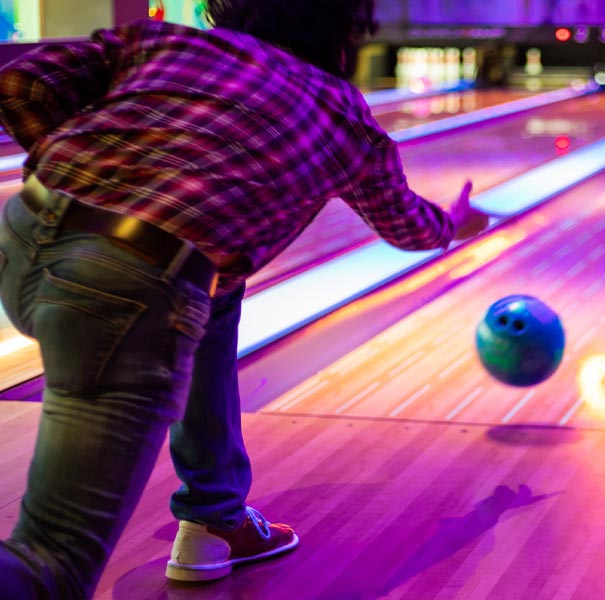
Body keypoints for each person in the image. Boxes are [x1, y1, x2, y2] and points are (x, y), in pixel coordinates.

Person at [0, 0, 489, 597]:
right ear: (343, 35)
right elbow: (408, 226)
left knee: (214, 290)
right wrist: (454, 221)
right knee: (50, 561)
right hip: (120, 289)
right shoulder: (344, 117)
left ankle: (215, 517)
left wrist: (79, 173)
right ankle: (213, 513)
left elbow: (22, 80)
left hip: (22, 233)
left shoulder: (166, 43)